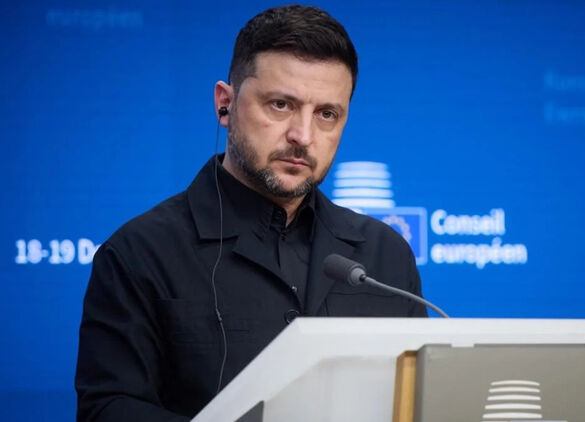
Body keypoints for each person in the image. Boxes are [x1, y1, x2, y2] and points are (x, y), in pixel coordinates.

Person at [75, 5, 427, 422]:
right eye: (280, 105)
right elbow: (108, 410)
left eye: (326, 114)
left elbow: (420, 401)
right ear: (225, 104)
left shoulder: (385, 255)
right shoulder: (139, 253)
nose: (303, 136)